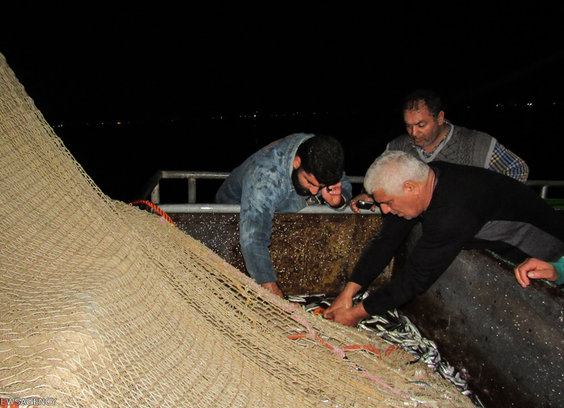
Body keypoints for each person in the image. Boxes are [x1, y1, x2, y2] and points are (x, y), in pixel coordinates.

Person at [324, 151, 564, 326]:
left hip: (551, 252)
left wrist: (356, 314)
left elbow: (416, 278)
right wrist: (349, 292)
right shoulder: (426, 177)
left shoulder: (454, 211)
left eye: (387, 203)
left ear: (410, 188)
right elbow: (386, 239)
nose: (384, 210)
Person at [215, 133, 352, 297]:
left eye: (321, 186)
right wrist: (274, 294)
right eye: (310, 182)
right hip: (234, 217)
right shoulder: (265, 177)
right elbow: (253, 239)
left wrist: (338, 201)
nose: (315, 192)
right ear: (297, 162)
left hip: (281, 208)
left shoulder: (323, 155)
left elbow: (343, 183)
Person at [351, 89, 529, 212]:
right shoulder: (396, 148)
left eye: (421, 125)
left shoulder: (477, 142)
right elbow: (380, 185)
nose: (413, 132)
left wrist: (486, 202)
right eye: (408, 126)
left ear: (440, 118)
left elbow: (517, 169)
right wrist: (369, 195)